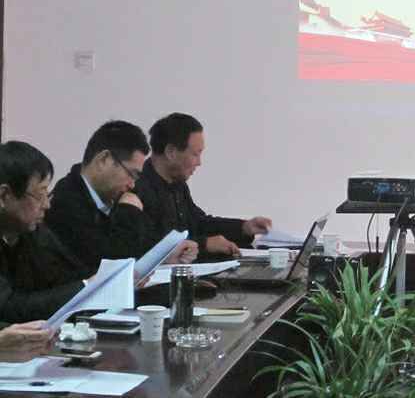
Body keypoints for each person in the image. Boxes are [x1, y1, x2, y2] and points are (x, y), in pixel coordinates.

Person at [45, 120, 198, 274]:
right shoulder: (65, 203)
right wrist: (129, 212)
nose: (132, 184)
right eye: (131, 174)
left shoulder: (113, 196)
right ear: (104, 160)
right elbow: (113, 261)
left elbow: (143, 244)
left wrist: (165, 256)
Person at [116, 113, 271, 259]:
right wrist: (204, 245)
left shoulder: (177, 183)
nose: (199, 162)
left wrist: (244, 227)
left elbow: (198, 223)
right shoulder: (136, 187)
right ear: (171, 152)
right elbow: (147, 244)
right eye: (195, 154)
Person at [0, 141, 88, 322]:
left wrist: (106, 280)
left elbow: (66, 277)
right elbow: (8, 308)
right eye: (40, 194)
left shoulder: (35, 231)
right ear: (4, 195)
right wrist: (86, 286)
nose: (47, 205)